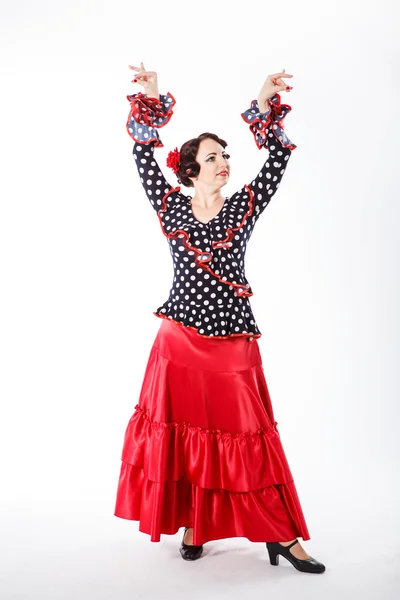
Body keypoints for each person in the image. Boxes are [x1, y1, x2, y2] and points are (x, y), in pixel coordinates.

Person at [114, 62, 326, 575]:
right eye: (213, 157)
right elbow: (143, 151)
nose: (224, 162)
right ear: (189, 169)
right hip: (178, 341)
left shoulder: (243, 208)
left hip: (232, 340)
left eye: (226, 155)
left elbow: (277, 157)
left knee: (247, 437)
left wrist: (264, 97)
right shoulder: (170, 207)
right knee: (183, 434)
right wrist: (151, 92)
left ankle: (283, 536)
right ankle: (194, 525)